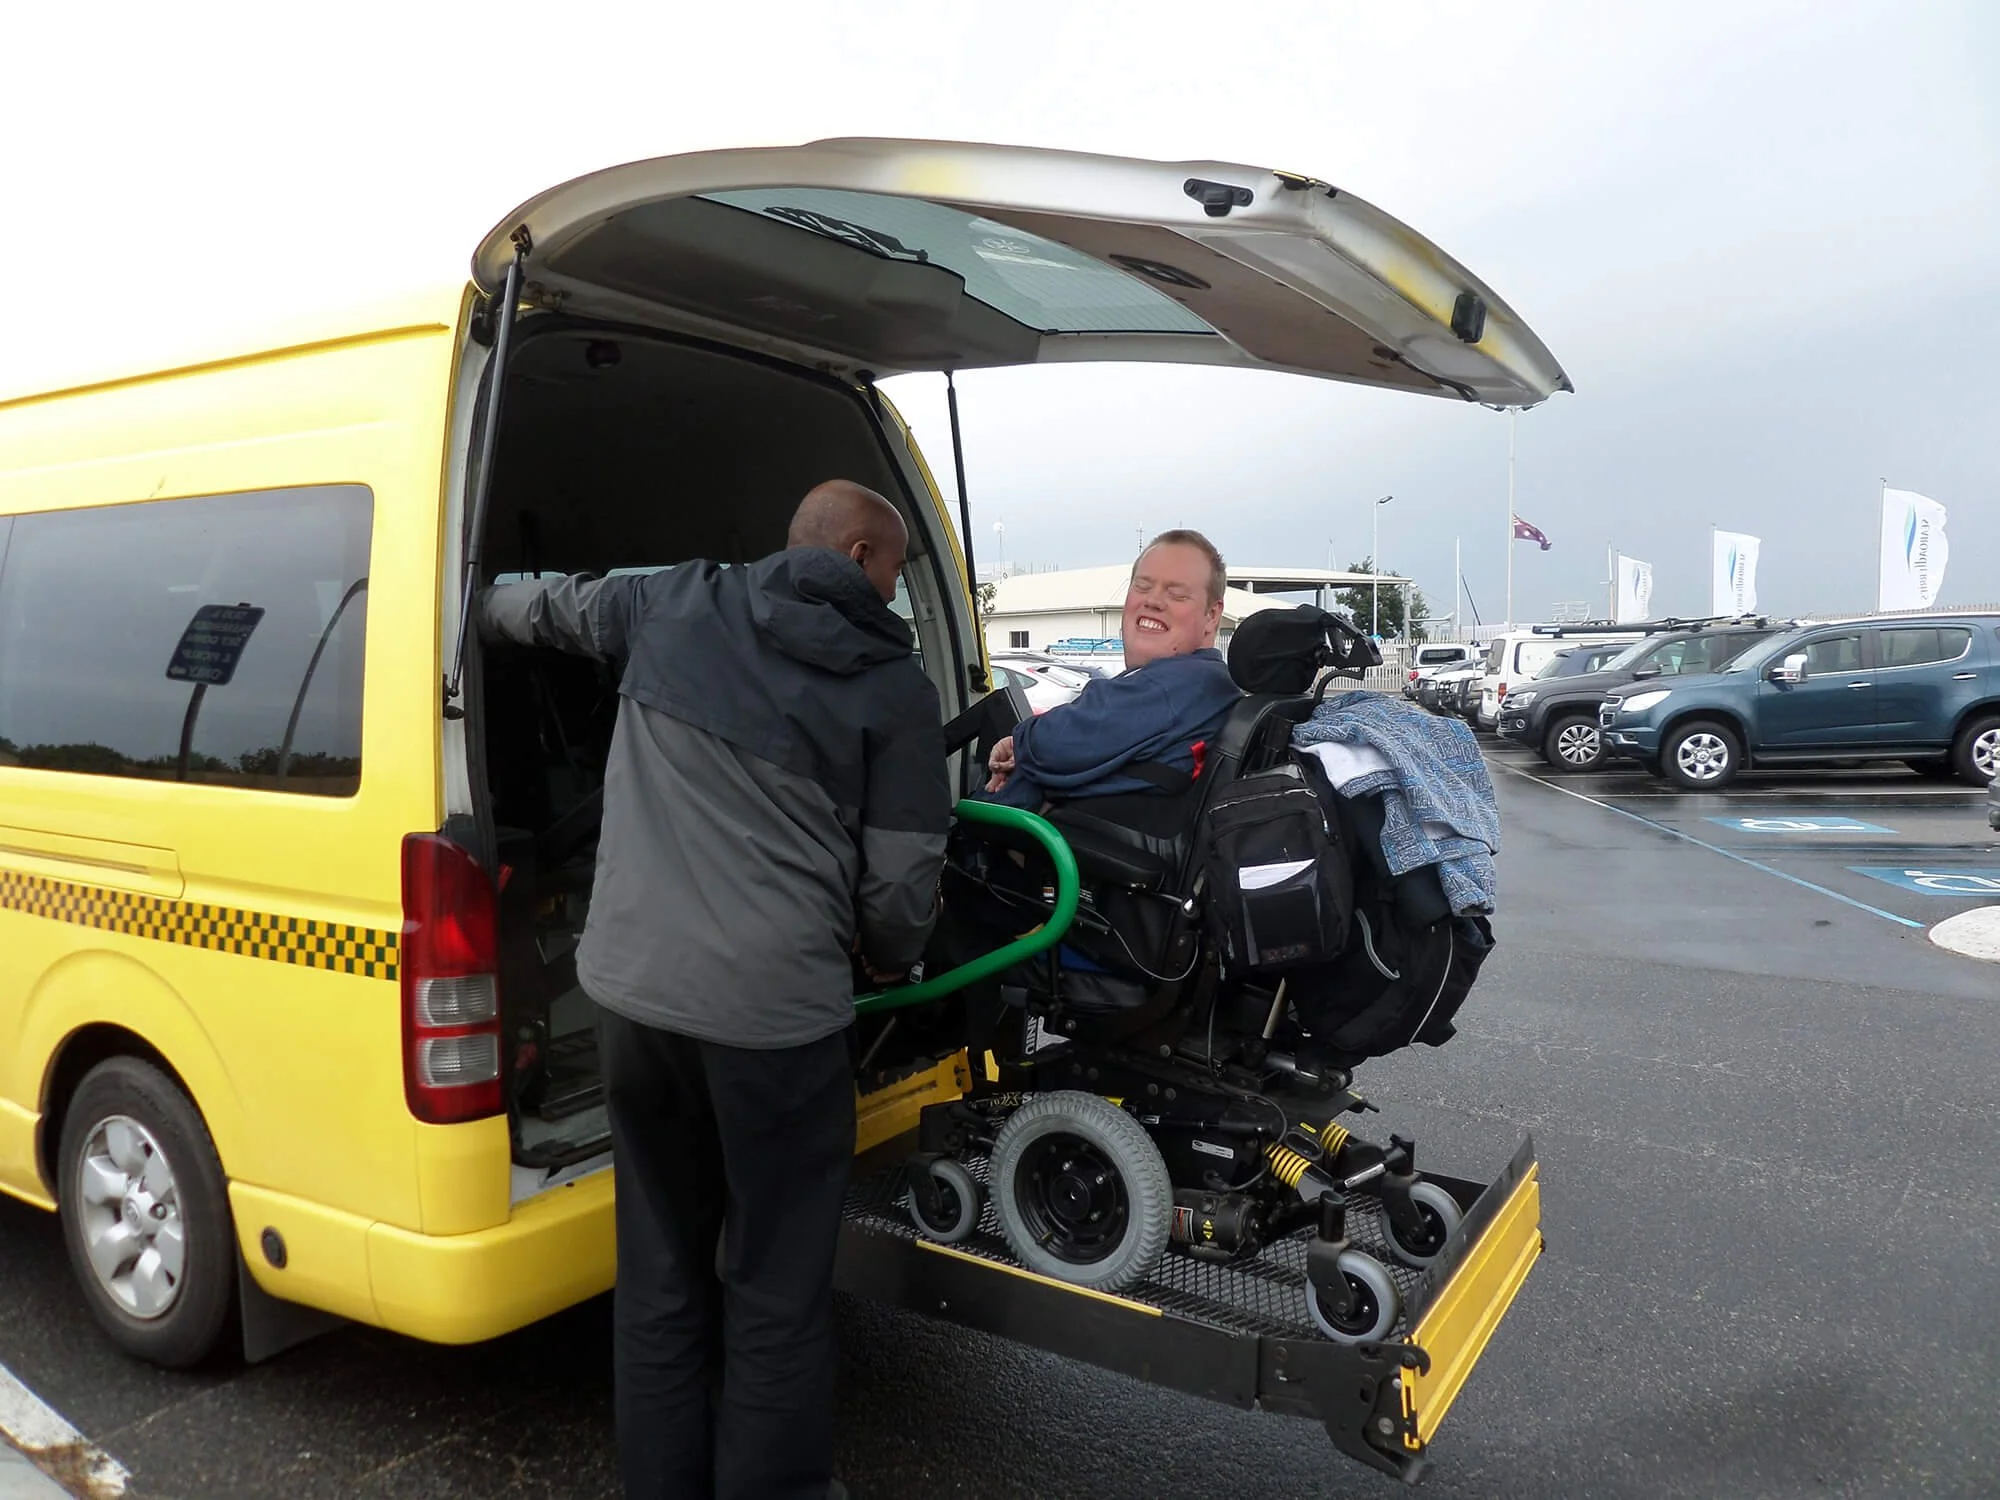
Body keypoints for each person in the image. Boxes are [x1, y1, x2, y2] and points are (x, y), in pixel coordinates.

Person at [479, 480, 950, 1500]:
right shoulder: (893, 689)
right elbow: (902, 887)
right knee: (774, 1285)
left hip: (634, 1006)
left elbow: (544, 606)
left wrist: (466, 601)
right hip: (775, 1027)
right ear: (862, 554)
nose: (898, 593)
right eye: (896, 571)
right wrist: (884, 954)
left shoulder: (674, 602)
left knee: (657, 1267)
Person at [984, 529, 1242, 807]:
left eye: (1177, 594)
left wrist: (1022, 745)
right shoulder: (1212, 686)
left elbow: (1057, 744)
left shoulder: (1176, 685)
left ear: (1212, 616)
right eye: (1142, 586)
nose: (1152, 600)